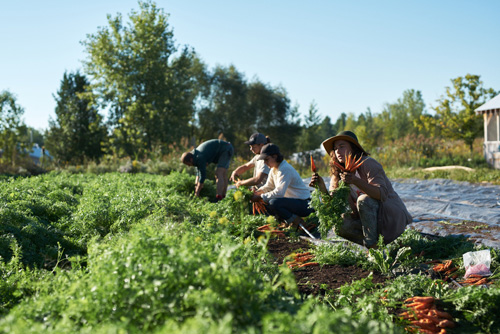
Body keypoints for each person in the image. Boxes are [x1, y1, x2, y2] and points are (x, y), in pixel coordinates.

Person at [310, 130, 412, 248]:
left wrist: (355, 181)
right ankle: (376, 246)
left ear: (353, 148)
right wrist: (321, 187)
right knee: (339, 224)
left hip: (389, 217)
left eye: (342, 146)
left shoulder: (368, 164)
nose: (338, 151)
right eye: (335, 148)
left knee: (363, 200)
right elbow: (333, 206)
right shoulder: (337, 174)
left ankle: (373, 247)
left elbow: (381, 194)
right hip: (368, 221)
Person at [251, 143, 313, 227]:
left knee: (274, 202)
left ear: (275, 156)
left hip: (305, 204)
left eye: (266, 159)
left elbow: (279, 193)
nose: (265, 163)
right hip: (293, 202)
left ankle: (299, 223)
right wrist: (257, 192)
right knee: (266, 202)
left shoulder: (285, 169)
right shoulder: (273, 169)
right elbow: (269, 186)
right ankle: (286, 222)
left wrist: (260, 196)